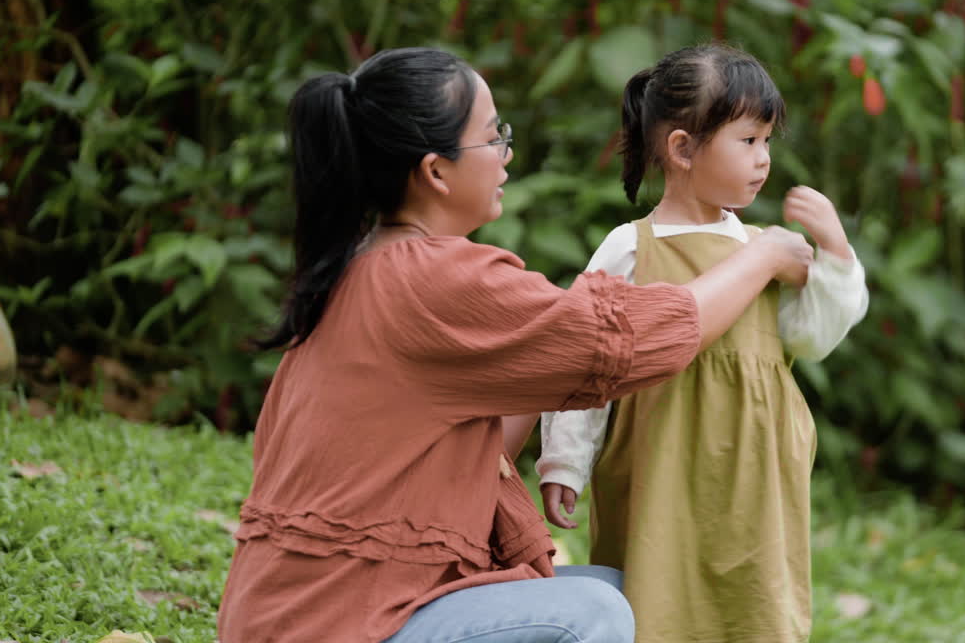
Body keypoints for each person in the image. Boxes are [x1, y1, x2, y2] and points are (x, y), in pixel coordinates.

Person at [215, 46, 817, 643]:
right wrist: (762, 256)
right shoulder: (435, 280)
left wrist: (545, 355)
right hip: (340, 620)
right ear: (435, 170)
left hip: (306, 610)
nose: (507, 154)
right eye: (493, 135)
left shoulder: (362, 267)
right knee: (593, 614)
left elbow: (482, 452)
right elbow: (638, 340)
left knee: (617, 588)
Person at [536, 44, 870, 643]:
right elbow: (587, 357)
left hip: (753, 466)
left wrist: (837, 256)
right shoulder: (631, 245)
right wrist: (564, 461)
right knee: (654, 595)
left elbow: (814, 335)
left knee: (753, 604)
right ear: (683, 148)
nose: (764, 159)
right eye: (748, 141)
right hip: (658, 454)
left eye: (768, 141)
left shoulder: (765, 249)